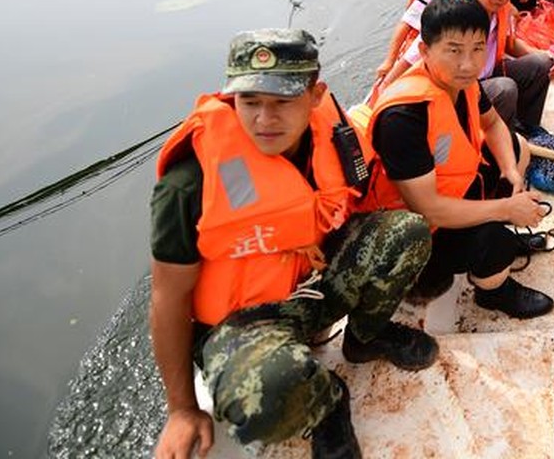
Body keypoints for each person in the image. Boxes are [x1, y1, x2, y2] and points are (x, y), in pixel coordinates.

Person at [150, 29, 438, 459]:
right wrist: (181, 408)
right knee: (266, 396)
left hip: (311, 287)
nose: (264, 120)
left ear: (315, 94)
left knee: (407, 232)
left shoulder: (332, 136)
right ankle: (326, 405)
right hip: (243, 323)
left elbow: (362, 202)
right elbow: (167, 297)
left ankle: (364, 337)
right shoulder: (188, 184)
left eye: (282, 101)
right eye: (249, 102)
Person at [361, 0, 554, 318]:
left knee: (517, 145)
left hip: (453, 189)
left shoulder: (463, 82)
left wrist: (511, 171)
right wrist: (506, 208)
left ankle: (501, 225)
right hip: (419, 234)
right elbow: (429, 210)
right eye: (453, 50)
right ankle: (492, 292)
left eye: (478, 48)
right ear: (425, 50)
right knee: (495, 242)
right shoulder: (404, 116)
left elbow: (492, 124)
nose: (469, 64)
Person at [382, 0, 554, 134]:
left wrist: (543, 54)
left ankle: (526, 129)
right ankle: (495, 143)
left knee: (542, 63)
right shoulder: (454, 12)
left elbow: (509, 43)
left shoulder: (502, 9)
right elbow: (414, 55)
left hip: (487, 74)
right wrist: (385, 90)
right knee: (505, 88)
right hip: (460, 87)